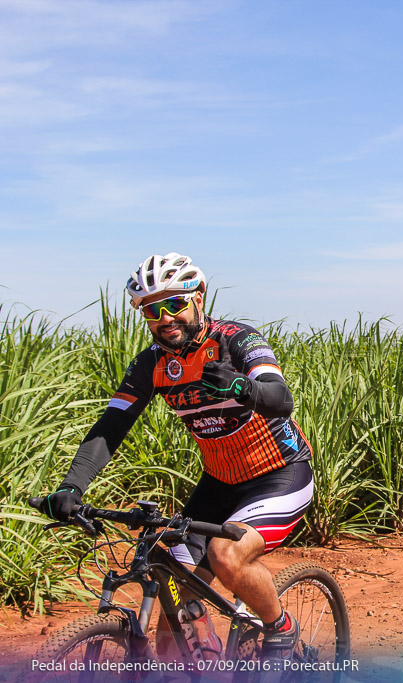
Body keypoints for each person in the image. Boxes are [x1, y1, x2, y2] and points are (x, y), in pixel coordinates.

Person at [41, 252, 313, 660]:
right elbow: (110, 427)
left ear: (198, 297)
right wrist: (71, 487)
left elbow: (280, 399)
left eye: (174, 304)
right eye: (153, 310)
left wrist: (241, 387)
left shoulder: (235, 340)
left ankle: (281, 628)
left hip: (280, 474)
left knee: (226, 555)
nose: (165, 318)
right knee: (172, 583)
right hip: (220, 483)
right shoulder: (151, 363)